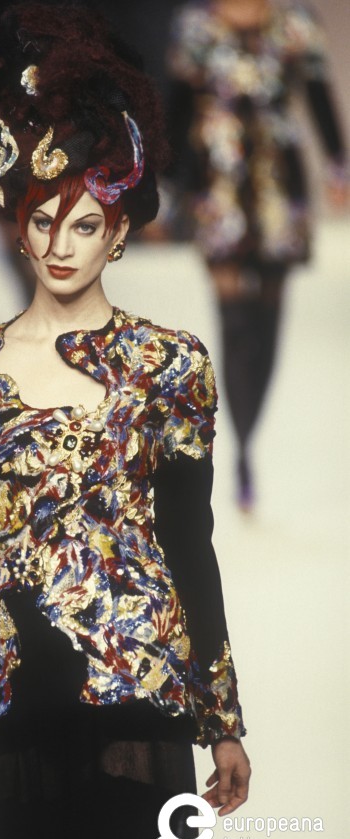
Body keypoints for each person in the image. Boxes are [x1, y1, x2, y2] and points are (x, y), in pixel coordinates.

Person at [0, 6, 250, 839]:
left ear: (119, 233)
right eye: (44, 220)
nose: (60, 244)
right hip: (9, 677)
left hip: (141, 679)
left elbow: (188, 539)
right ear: (18, 225)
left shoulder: (170, 365)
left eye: (85, 224)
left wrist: (222, 716)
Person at [165, 0, 349, 509]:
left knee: (268, 317)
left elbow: (318, 96)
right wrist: (164, 182)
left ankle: (247, 439)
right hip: (217, 181)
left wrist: (337, 164)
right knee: (233, 320)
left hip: (277, 185)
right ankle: (242, 440)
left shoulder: (296, 23)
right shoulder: (196, 26)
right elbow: (178, 105)